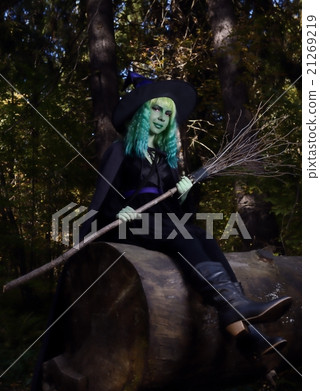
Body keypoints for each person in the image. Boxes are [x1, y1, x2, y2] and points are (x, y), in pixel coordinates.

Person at [80, 71, 291, 359]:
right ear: (141, 112)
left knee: (202, 235)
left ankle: (244, 332)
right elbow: (104, 195)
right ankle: (236, 307)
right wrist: (118, 211)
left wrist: (183, 190)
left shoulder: (166, 162)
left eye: (167, 113)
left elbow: (178, 211)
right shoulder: (121, 151)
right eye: (155, 108)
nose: (162, 116)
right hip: (126, 225)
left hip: (162, 223)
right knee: (180, 232)